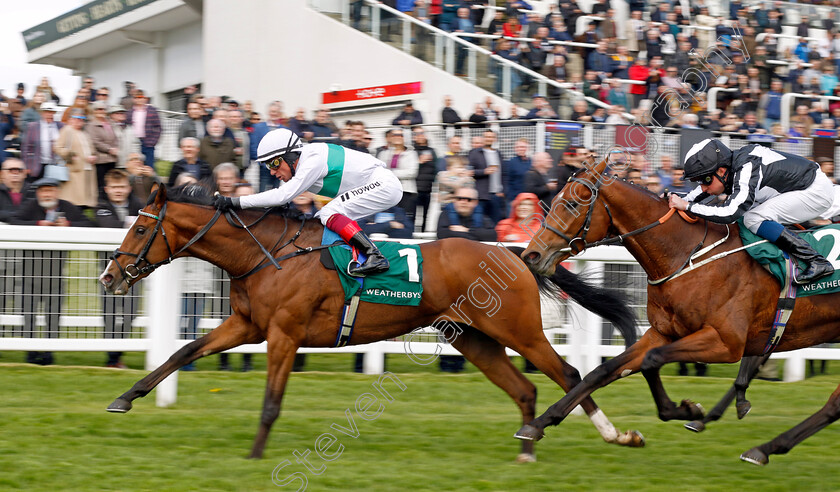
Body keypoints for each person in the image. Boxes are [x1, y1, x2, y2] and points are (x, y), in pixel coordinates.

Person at [213, 128, 403, 277]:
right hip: (377, 185)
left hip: (384, 185)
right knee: (323, 217)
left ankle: (374, 256)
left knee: (330, 212)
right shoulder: (300, 162)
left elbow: (281, 196)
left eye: (273, 164)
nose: (271, 171)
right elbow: (278, 199)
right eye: (267, 166)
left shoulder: (312, 160)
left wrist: (234, 201)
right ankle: (348, 259)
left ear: (289, 156)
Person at [669, 139, 835, 285]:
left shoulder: (746, 168)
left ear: (721, 171)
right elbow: (700, 192)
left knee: (753, 218)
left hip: (815, 192)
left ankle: (817, 261)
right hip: (800, 187)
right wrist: (675, 198)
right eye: (699, 181)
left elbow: (729, 213)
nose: (703, 187)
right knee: (751, 215)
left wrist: (688, 206)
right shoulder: (731, 166)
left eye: (705, 180)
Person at [9, 177, 93, 365]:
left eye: (51, 190)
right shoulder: (31, 206)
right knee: (28, 314)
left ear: (57, 192)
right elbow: (14, 220)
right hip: (29, 273)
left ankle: (48, 354)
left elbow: (89, 223)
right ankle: (31, 354)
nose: (47, 194)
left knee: (53, 315)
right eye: (43, 191)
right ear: (38, 193)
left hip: (55, 274)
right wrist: (38, 225)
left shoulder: (67, 207)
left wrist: (68, 225)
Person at [94, 169, 144, 368]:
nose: (118, 191)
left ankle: (118, 352)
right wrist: (130, 224)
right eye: (114, 187)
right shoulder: (101, 206)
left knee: (131, 312)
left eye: (121, 187)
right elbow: (109, 224)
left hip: (133, 271)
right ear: (107, 189)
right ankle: (112, 358)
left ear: (128, 188)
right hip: (110, 271)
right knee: (110, 312)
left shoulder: (138, 205)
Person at [53, 108, 98, 208]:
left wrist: (93, 156)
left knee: (85, 199)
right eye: (77, 118)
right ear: (70, 119)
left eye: (82, 118)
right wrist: (70, 154)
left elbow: (91, 150)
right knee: (73, 200)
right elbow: (57, 147)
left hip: (87, 170)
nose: (80, 120)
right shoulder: (67, 130)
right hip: (74, 171)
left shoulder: (84, 133)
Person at [376, 129, 419, 225]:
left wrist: (390, 173)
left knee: (406, 220)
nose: (398, 137)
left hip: (406, 191)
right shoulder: (383, 153)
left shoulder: (412, 154)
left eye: (401, 135)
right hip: (388, 190)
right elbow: (379, 170)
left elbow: (412, 172)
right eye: (395, 135)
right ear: (390, 137)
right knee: (388, 218)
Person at [468, 129, 505, 224]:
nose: (489, 139)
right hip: (481, 195)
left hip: (496, 195)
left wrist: (503, 191)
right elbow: (468, 171)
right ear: (483, 138)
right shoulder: (475, 153)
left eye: (491, 137)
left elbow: (504, 174)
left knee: (496, 224)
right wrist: (484, 171)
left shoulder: (499, 154)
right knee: (478, 223)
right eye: (487, 137)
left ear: (495, 139)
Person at [21, 101, 62, 181]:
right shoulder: (32, 126)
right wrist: (26, 166)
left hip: (55, 164)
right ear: (42, 113)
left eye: (52, 112)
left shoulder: (61, 126)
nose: (50, 114)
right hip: (37, 165)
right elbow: (25, 147)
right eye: (47, 112)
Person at [86, 100, 121, 197]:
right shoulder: (91, 125)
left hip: (112, 159)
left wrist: (116, 148)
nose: (101, 111)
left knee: (111, 182)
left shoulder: (110, 123)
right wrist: (109, 149)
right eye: (99, 109)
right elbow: (95, 141)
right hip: (101, 160)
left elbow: (116, 137)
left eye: (103, 109)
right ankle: (101, 203)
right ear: (94, 111)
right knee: (101, 184)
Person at [126, 90, 161, 169]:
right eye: (136, 97)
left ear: (145, 98)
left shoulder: (152, 110)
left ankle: (152, 181)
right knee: (135, 167)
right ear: (133, 99)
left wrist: (153, 141)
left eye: (141, 97)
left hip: (148, 142)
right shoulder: (130, 112)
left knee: (149, 167)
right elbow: (127, 125)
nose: (139, 99)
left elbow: (158, 127)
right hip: (134, 143)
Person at [412, 128, 437, 232]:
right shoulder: (411, 151)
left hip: (428, 189)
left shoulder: (432, 151)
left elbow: (436, 168)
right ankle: (411, 236)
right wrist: (418, 162)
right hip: (414, 189)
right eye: (417, 134)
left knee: (425, 216)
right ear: (414, 137)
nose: (420, 135)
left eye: (422, 133)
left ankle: (422, 235)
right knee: (412, 215)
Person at [0, 158, 31, 222]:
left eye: (19, 170)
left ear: (25, 173)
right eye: (11, 170)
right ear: (2, 174)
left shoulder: (34, 191)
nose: (15, 173)